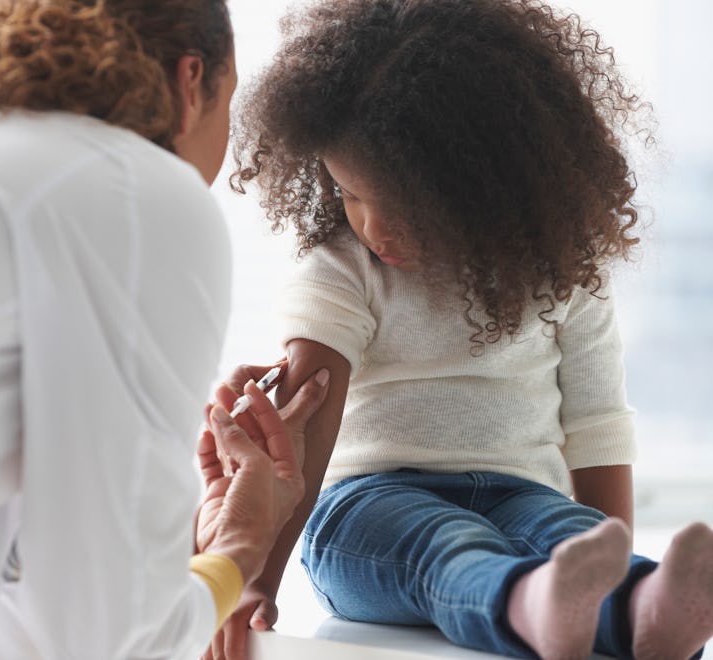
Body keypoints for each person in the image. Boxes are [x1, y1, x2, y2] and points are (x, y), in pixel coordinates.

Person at [207, 0, 713, 659]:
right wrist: (257, 580)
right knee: (442, 544)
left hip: (522, 496)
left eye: (399, 203)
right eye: (350, 194)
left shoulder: (559, 271)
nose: (373, 228)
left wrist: (603, 552)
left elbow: (596, 425)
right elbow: (303, 428)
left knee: (560, 529)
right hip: (371, 507)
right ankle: (526, 604)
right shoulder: (341, 270)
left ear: (482, 182)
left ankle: (647, 611)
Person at [0, 1, 330, 659]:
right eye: (230, 105)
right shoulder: (135, 190)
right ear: (190, 83)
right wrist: (241, 548)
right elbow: (105, 638)